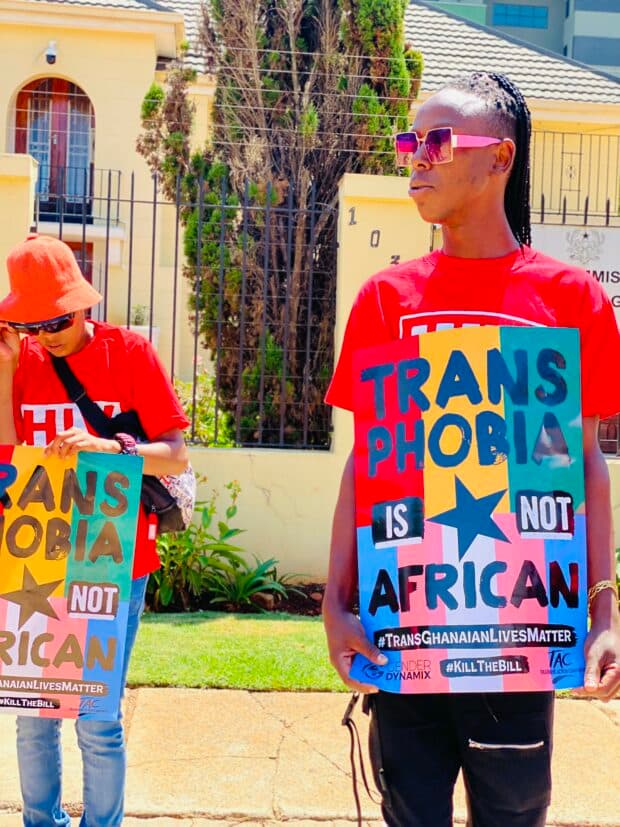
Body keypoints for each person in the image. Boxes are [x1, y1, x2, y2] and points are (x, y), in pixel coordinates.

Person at [323, 72, 620, 827]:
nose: (416, 157)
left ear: (500, 159)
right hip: (406, 631)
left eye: (437, 141)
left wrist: (604, 608)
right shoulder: (385, 299)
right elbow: (365, 462)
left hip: (520, 634)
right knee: (409, 814)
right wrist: (335, 601)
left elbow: (585, 463)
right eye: (411, 141)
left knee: (513, 815)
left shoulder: (572, 299)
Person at [0, 233, 190, 827]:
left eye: (57, 320)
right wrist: (5, 369)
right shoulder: (22, 361)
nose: (47, 335)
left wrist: (110, 447)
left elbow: (176, 455)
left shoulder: (128, 352)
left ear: (82, 304)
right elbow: (7, 461)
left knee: (97, 716)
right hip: (36, 555)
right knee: (34, 717)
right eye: (33, 325)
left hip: (113, 556)